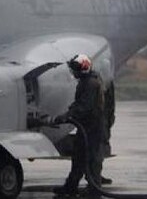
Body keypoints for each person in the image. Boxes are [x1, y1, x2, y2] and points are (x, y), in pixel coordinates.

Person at [50, 54, 106, 198]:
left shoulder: (90, 84)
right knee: (79, 157)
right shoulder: (85, 82)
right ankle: (71, 186)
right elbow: (79, 104)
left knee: (92, 159)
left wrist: (67, 115)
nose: (73, 72)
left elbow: (84, 106)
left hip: (92, 129)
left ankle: (94, 189)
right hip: (86, 127)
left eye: (75, 69)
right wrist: (69, 113)